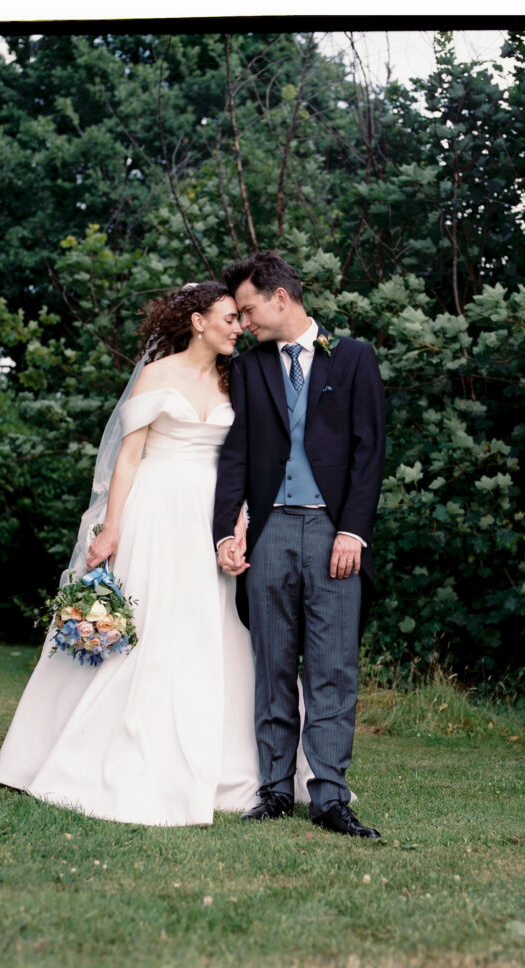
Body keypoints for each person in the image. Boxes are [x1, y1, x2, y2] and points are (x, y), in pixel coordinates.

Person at [0, 281, 313, 826]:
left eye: (240, 318)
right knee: (145, 625)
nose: (239, 327)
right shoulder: (156, 375)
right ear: (197, 321)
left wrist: (239, 524)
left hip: (211, 514)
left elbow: (247, 460)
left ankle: (226, 761)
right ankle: (88, 747)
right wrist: (111, 527)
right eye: (229, 318)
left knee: (211, 628)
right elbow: (130, 455)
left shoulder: (238, 379)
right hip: (155, 511)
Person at [212, 251, 387, 839]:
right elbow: (234, 456)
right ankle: (272, 790)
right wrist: (224, 530)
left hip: (335, 531)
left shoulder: (355, 358)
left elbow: (369, 452)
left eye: (249, 309)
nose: (244, 322)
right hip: (271, 532)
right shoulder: (250, 368)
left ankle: (331, 799)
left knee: (333, 669)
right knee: (273, 668)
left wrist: (354, 530)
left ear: (280, 297)